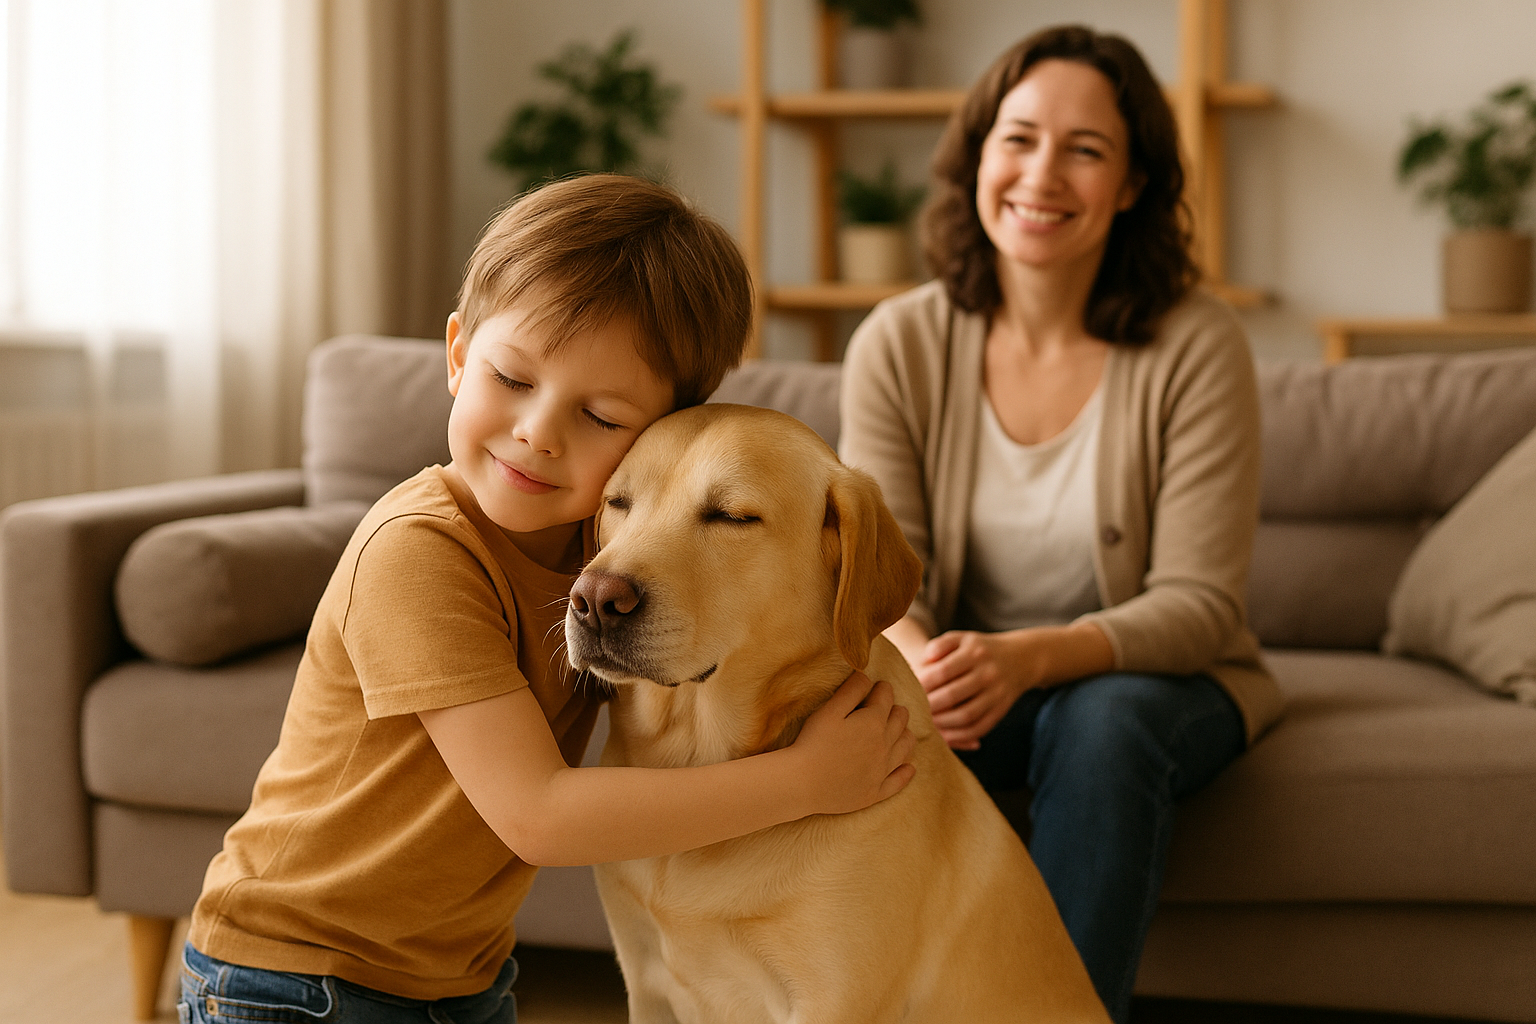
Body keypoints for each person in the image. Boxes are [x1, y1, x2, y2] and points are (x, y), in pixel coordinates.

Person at [181, 174, 917, 1024]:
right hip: (294, 973)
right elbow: (538, 815)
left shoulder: (608, 546)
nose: (539, 431)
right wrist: (806, 781)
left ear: (662, 436)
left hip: (459, 978)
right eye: (512, 377)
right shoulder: (417, 553)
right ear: (457, 354)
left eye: (602, 417)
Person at [838, 25, 1284, 1024]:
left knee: (1106, 718)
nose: (1043, 174)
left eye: (1086, 149)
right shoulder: (897, 343)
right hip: (970, 680)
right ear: (978, 155)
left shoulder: (1196, 344)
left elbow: (1203, 603)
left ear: (1130, 187)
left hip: (1157, 684)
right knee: (851, 709)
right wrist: (925, 664)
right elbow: (874, 575)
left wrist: (1029, 658)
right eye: (1020, 138)